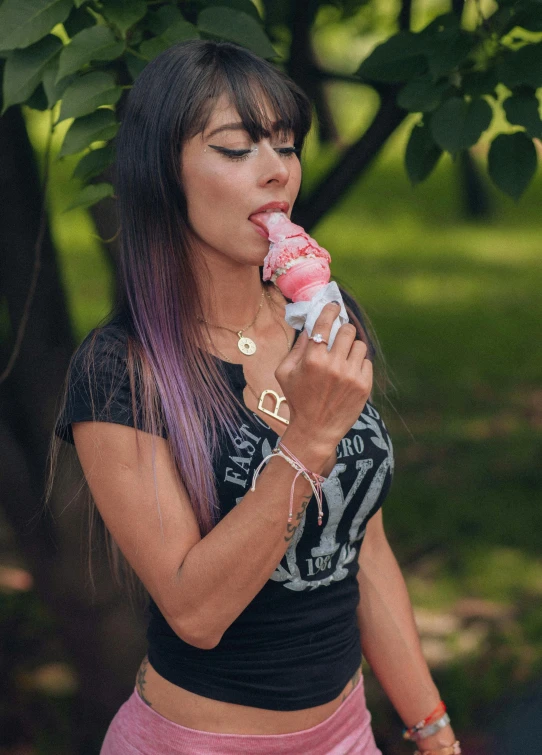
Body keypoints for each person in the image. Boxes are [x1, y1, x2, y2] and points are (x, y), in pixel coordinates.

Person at [52, 39, 461, 755]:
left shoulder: (324, 324)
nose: (277, 172)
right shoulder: (121, 371)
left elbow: (361, 546)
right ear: (163, 174)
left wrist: (433, 729)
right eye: (236, 148)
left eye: (286, 145)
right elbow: (196, 611)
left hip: (348, 734)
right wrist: (308, 440)